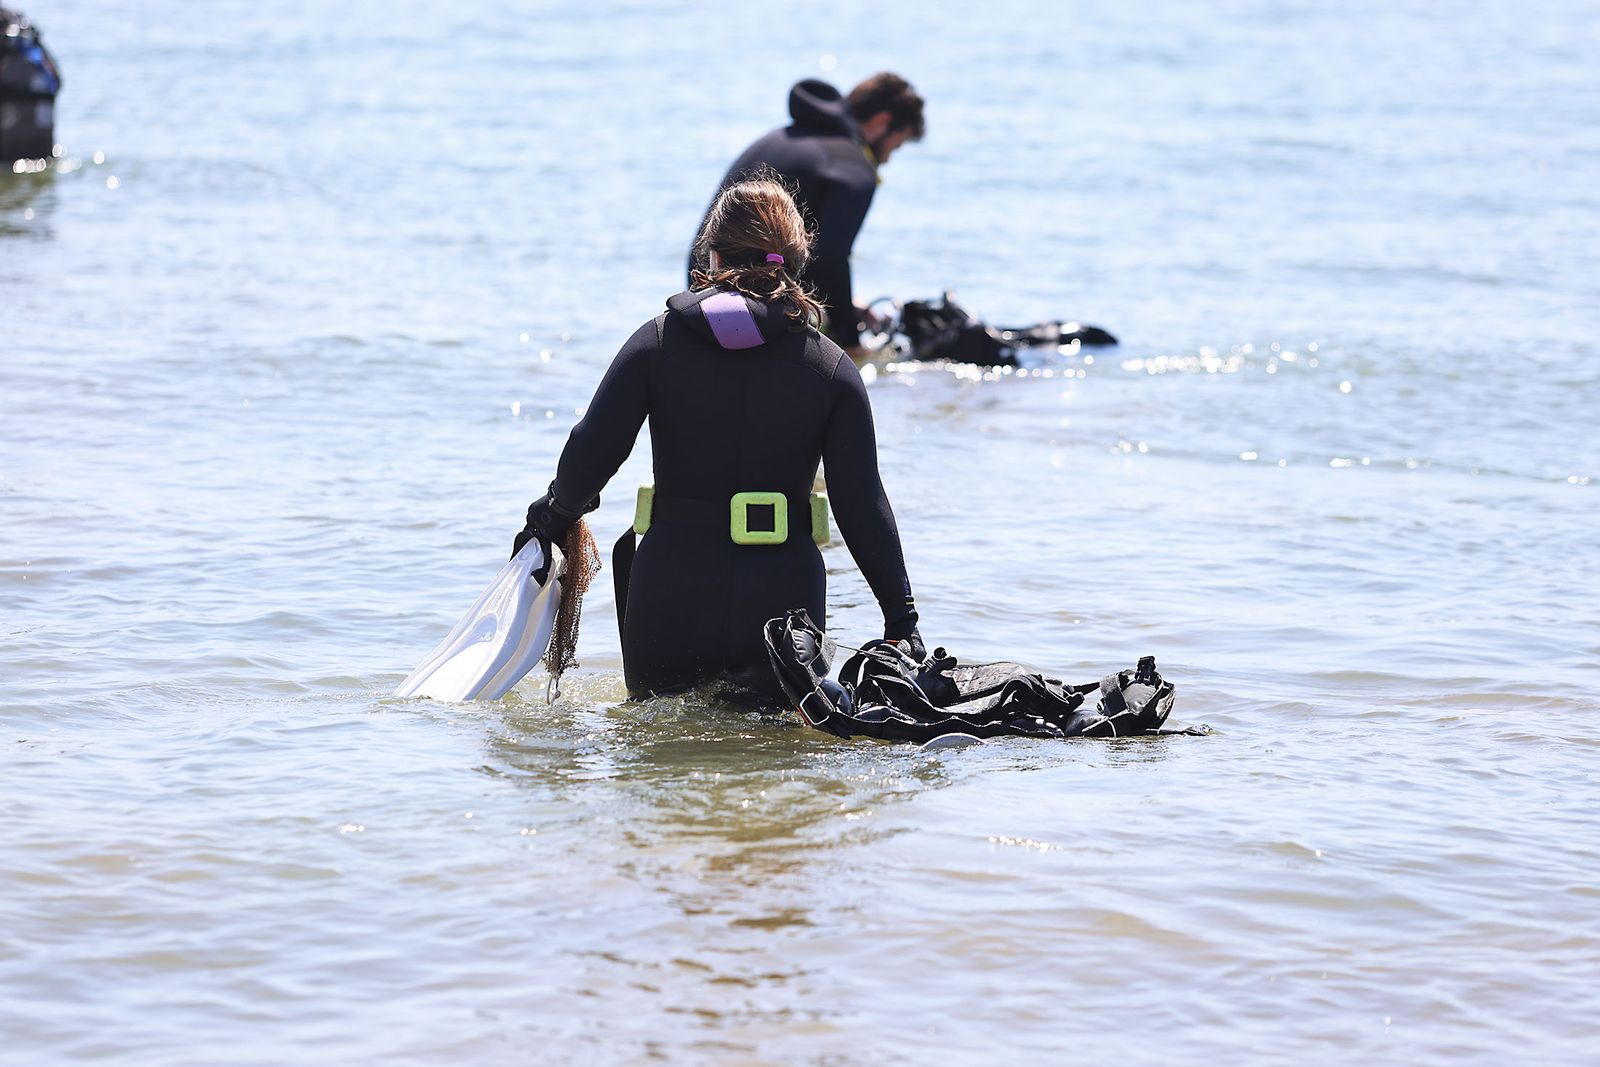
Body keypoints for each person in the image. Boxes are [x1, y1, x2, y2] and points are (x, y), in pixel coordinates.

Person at [516, 178, 923, 701]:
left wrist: (552, 514)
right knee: (774, 761)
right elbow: (862, 503)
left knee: (660, 753)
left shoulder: (657, 343)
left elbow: (591, 454)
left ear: (711, 255)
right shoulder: (831, 368)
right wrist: (901, 621)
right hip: (783, 601)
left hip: (672, 588)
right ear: (796, 261)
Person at [691, 73, 925, 360]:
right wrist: (852, 344)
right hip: (752, 295)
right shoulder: (853, 167)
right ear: (880, 124)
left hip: (703, 279)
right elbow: (831, 259)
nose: (888, 159)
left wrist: (847, 306)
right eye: (896, 146)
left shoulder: (780, 138)